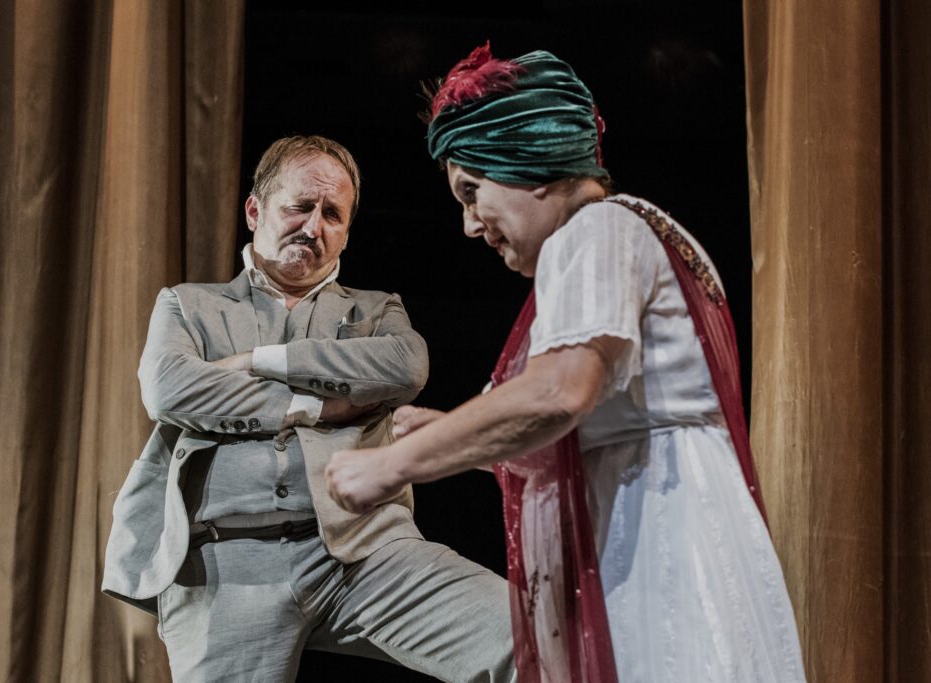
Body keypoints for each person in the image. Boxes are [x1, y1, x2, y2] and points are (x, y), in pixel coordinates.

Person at [326, 47, 806, 682]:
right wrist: (456, 435)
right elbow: (600, 416)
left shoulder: (595, 230)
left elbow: (558, 393)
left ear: (526, 160)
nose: (469, 224)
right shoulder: (642, 232)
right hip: (683, 533)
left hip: (658, 546)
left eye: (472, 191)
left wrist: (389, 465)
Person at [102, 135, 515, 682]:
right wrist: (314, 405)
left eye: (332, 215)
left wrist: (259, 360)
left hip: (364, 552)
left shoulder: (375, 312)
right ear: (255, 211)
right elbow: (170, 391)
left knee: (525, 636)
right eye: (299, 206)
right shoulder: (188, 304)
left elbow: (406, 367)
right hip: (225, 563)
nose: (314, 227)